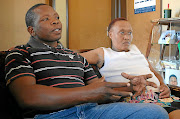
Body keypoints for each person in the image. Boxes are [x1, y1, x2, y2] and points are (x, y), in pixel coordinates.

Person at [5, 4, 169, 119]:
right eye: (45, 19)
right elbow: (27, 97)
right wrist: (87, 93)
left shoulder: (75, 57)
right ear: (31, 30)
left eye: (57, 17)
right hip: (53, 115)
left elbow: (100, 91)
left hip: (92, 111)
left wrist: (130, 87)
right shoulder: (20, 53)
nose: (56, 21)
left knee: (156, 113)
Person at [80, 18, 171, 99]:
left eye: (129, 33)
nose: (127, 37)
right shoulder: (103, 53)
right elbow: (73, 57)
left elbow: (154, 72)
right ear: (110, 34)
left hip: (161, 96)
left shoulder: (135, 49)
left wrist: (164, 85)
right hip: (133, 99)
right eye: (122, 32)